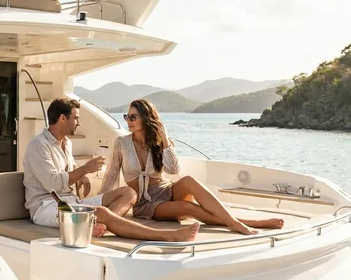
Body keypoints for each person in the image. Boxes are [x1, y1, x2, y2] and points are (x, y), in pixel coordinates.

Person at [24, 98, 199, 242]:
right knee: (100, 213)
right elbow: (52, 183)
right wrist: (85, 169)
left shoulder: (66, 143)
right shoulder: (38, 145)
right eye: (76, 118)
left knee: (128, 193)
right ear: (63, 118)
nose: (78, 123)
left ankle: (99, 225)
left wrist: (80, 175)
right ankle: (166, 236)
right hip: (47, 206)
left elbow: (68, 166)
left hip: (71, 200)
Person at [100, 99, 285, 235]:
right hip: (145, 203)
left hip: (165, 190)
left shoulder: (160, 143)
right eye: (127, 116)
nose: (128, 121)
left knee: (188, 181)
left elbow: (173, 170)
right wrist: (101, 201)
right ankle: (243, 223)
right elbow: (111, 175)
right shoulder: (121, 143)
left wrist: (164, 140)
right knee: (190, 208)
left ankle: (235, 222)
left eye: (133, 117)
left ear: (146, 119)